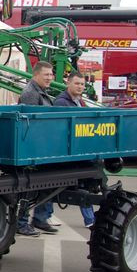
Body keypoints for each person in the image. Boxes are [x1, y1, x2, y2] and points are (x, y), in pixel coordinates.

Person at [17, 61, 57, 236]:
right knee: (28, 188)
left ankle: (39, 219)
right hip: (33, 151)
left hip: (42, 149)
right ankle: (22, 222)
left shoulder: (41, 92)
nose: (50, 78)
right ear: (36, 75)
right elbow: (30, 125)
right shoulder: (30, 94)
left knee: (44, 185)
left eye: (51, 74)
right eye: (46, 74)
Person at [54, 71, 96, 227]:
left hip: (80, 149)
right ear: (68, 83)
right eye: (77, 83)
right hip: (68, 152)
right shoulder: (61, 103)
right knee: (79, 186)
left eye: (82, 84)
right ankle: (90, 219)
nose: (80, 87)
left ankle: (42, 217)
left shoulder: (80, 102)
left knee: (84, 183)